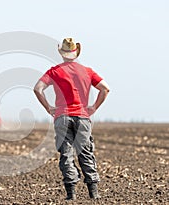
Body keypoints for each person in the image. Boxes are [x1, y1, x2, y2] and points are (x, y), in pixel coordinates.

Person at [34, 38, 110, 200]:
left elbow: (38, 88)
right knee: (86, 153)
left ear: (61, 53)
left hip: (62, 117)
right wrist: (94, 107)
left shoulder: (54, 71)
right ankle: (93, 193)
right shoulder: (87, 71)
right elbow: (105, 88)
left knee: (66, 154)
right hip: (82, 117)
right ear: (76, 53)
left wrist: (48, 107)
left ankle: (71, 195)